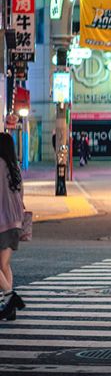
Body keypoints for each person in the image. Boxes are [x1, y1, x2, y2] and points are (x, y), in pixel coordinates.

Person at [0, 132, 27, 321]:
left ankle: (10, 297)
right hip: (16, 221)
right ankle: (10, 309)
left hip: (2, 221)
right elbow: (22, 194)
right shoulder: (14, 167)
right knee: (4, 265)